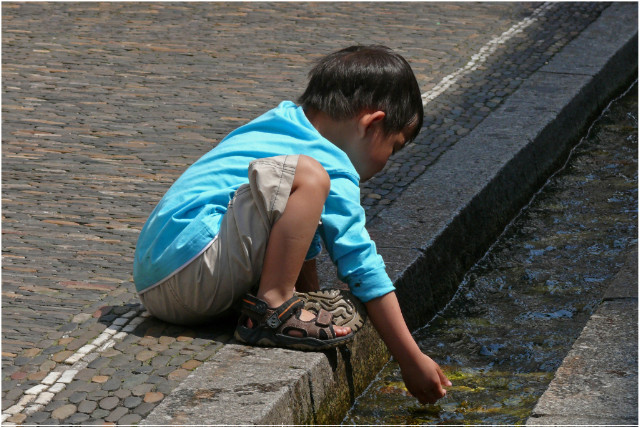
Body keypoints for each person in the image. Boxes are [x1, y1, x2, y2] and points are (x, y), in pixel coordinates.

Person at [133, 45, 451, 404]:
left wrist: (309, 296)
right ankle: (274, 307)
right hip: (193, 272)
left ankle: (284, 302)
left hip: (156, 276)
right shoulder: (329, 164)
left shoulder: (279, 121)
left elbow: (295, 235)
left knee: (297, 183)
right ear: (372, 124)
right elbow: (363, 265)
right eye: (394, 147)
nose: (388, 161)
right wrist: (410, 359)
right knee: (309, 176)